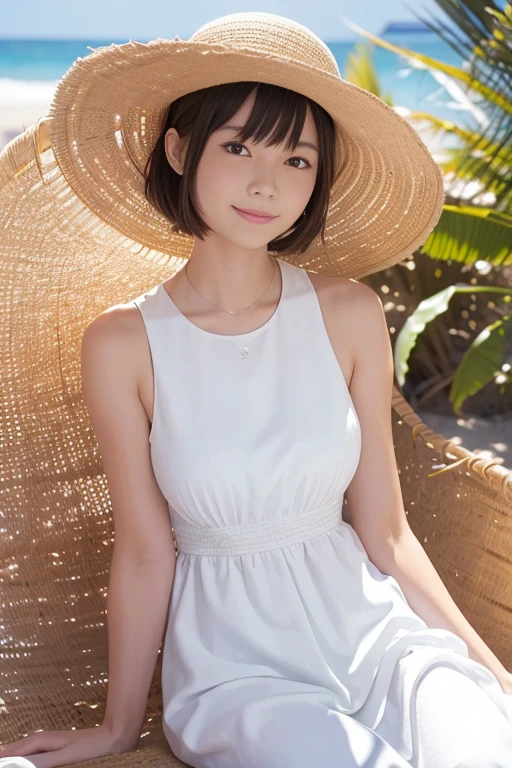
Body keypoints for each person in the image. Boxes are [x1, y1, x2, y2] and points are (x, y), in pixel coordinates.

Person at [1, 11, 512, 768]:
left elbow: (388, 532)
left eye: (298, 159)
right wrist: (114, 728)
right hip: (239, 675)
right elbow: (145, 552)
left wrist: (493, 674)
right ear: (179, 149)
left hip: (381, 644)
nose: (266, 183)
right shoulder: (124, 342)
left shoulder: (348, 314)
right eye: (237, 145)